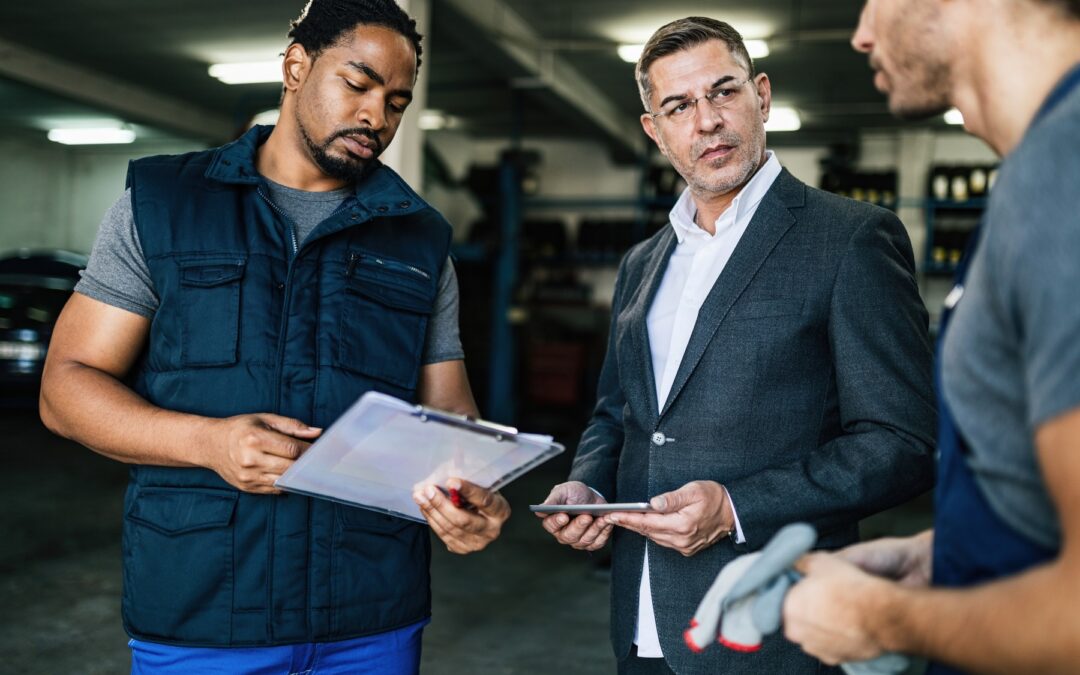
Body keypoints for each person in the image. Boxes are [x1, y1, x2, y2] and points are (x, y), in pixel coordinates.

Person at [38, 0, 509, 671]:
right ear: (295, 66)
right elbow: (65, 387)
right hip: (202, 610)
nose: (378, 117)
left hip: (369, 615)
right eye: (358, 85)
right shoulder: (164, 204)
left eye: (398, 101)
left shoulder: (420, 239)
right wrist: (208, 441)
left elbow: (449, 413)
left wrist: (470, 495)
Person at [537, 16, 937, 675]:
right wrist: (588, 482)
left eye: (723, 92)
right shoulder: (643, 261)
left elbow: (902, 442)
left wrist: (736, 507)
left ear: (763, 96)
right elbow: (619, 414)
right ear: (654, 131)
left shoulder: (850, 239)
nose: (706, 121)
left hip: (770, 632)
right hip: (641, 625)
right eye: (679, 105)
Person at [782, 1, 1080, 673]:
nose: (859, 34)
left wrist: (882, 618)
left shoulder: (1064, 170)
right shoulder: (1038, 170)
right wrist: (939, 556)